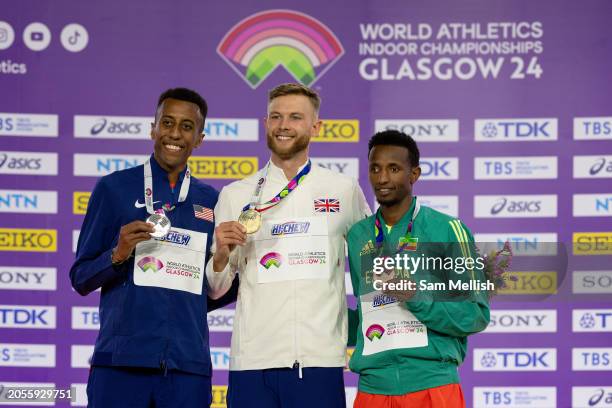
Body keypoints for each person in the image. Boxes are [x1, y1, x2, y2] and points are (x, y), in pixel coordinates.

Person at [70, 88, 237, 407]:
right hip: (120, 365)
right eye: (168, 123)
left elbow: (220, 288)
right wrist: (117, 255)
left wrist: (187, 293)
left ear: (200, 138)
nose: (175, 134)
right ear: (153, 128)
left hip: (187, 369)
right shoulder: (113, 188)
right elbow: (80, 278)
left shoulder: (213, 202)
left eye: (187, 126)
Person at [206, 83, 370, 407]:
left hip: (320, 362)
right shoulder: (236, 194)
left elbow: (371, 266)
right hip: (252, 362)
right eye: (276, 116)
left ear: (315, 126)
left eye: (296, 117)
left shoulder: (343, 190)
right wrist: (222, 255)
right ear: (265, 123)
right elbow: (215, 288)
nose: (284, 125)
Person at [346, 130, 490, 408]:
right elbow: (366, 313)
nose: (382, 178)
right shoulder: (358, 236)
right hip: (373, 388)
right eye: (375, 169)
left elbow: (475, 314)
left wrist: (415, 296)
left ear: (415, 174)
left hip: (432, 385)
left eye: (394, 169)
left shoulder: (447, 230)